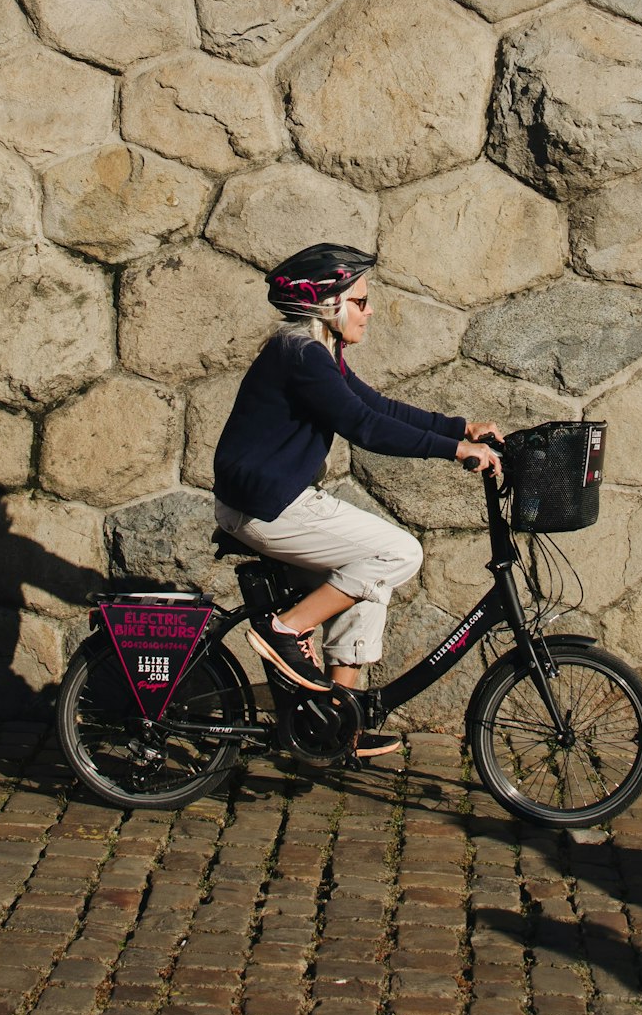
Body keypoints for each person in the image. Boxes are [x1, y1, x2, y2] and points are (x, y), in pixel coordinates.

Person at [212, 242, 502, 754]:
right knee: (398, 552)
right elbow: (364, 427)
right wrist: (455, 450)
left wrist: (461, 427)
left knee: (370, 579)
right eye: (361, 301)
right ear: (329, 304)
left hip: (274, 499)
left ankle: (333, 723)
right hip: (266, 506)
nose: (368, 312)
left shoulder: (318, 352)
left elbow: (377, 405)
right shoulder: (302, 356)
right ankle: (286, 630)